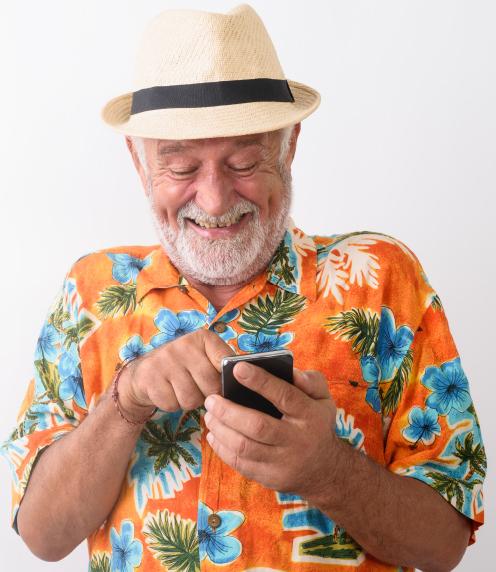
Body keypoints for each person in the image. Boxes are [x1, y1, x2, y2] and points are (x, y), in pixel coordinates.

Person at [3, 5, 485, 571]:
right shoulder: (90, 291)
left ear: (291, 144)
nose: (213, 200)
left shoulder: (381, 280)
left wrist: (325, 469)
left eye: (245, 161)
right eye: (181, 168)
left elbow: (444, 545)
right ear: (138, 160)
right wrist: (125, 402)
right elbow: (41, 535)